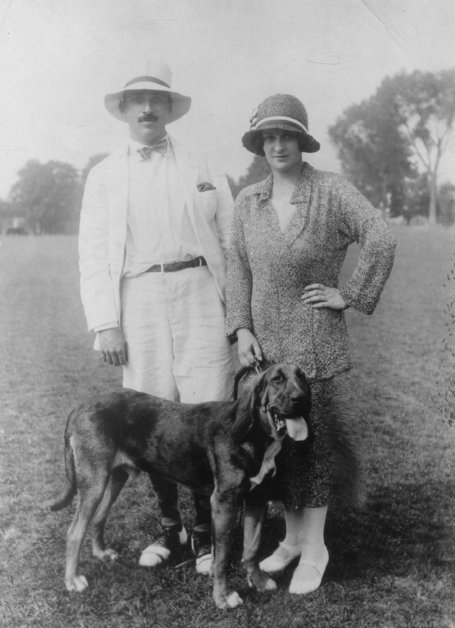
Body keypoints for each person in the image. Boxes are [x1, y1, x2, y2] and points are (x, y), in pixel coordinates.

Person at [225, 93, 396, 595]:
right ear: (260, 143)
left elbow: (380, 236)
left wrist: (352, 295)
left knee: (313, 447)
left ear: (302, 140)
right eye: (269, 137)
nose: (278, 145)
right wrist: (241, 328)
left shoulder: (330, 191)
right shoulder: (248, 200)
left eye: (287, 135)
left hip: (314, 340)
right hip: (265, 348)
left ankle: (316, 547)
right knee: (280, 446)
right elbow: (237, 264)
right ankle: (294, 539)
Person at [79, 60, 235, 575]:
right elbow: (93, 253)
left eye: (157, 101)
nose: (147, 108)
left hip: (198, 292)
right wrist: (106, 322)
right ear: (124, 109)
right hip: (138, 297)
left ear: (170, 108)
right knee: (151, 416)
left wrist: (237, 312)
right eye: (137, 101)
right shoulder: (104, 175)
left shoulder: (200, 162)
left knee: (208, 409)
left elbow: (231, 240)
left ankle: (206, 532)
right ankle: (170, 529)